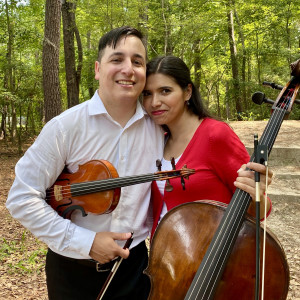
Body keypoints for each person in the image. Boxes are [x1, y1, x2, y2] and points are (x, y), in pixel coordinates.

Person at [6, 26, 165, 300]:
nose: (128, 69)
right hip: (72, 271)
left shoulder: (160, 128)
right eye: (117, 59)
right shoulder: (64, 128)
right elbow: (21, 198)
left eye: (137, 62)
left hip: (137, 268)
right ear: (97, 69)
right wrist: (87, 242)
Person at [141, 55, 272, 238]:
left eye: (165, 91)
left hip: (212, 258)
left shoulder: (215, 135)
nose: (154, 102)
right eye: (147, 93)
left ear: (187, 92)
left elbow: (259, 208)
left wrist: (256, 190)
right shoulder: (157, 141)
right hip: (167, 261)